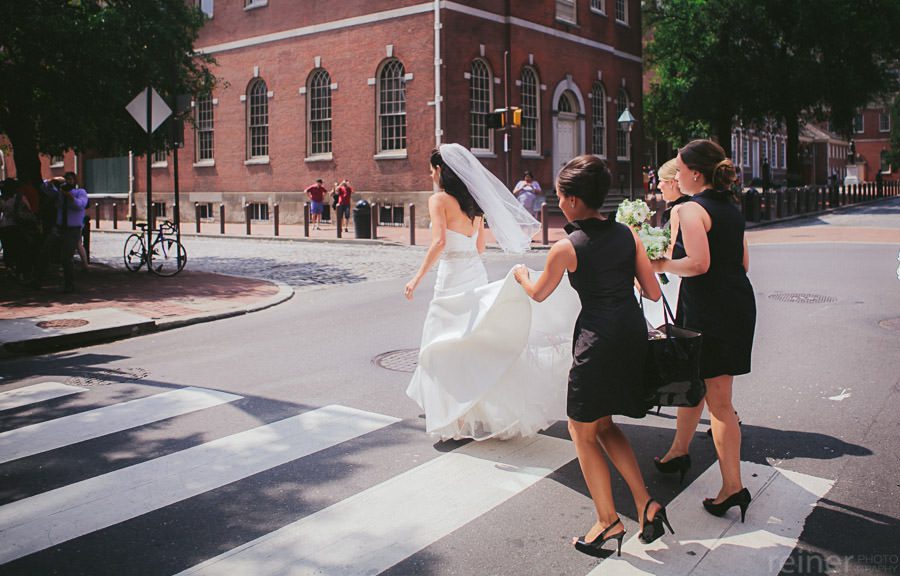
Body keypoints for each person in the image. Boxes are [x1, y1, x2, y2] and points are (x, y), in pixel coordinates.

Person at [514, 155, 671, 558]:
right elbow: (654, 293)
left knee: (580, 430)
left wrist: (520, 276)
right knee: (604, 424)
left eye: (559, 196)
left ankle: (607, 521)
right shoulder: (628, 234)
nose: (559, 202)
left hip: (597, 343)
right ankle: (645, 505)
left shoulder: (566, 247)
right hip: (631, 336)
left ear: (571, 200)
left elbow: (538, 293)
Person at [404, 143, 577, 441]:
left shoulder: (438, 200)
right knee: (476, 341)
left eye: (432, 169)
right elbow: (481, 247)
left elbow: (439, 242)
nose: (431, 174)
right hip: (474, 272)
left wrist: (416, 277)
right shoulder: (474, 203)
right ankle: (475, 410)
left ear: (441, 170)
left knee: (443, 341)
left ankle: (455, 416)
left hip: (452, 275)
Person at [650, 139, 756, 522]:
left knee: (720, 402)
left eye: (679, 170)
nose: (676, 176)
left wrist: (661, 264)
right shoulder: (731, 208)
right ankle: (679, 451)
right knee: (697, 380)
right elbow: (743, 263)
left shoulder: (691, 210)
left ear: (695, 174)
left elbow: (698, 264)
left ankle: (733, 487)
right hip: (735, 303)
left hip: (709, 309)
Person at [32, 171, 88, 292]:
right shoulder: (59, 194)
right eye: (66, 179)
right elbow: (44, 188)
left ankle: (69, 285)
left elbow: (80, 205)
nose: (68, 182)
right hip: (59, 228)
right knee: (45, 252)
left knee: (66, 257)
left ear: (75, 181)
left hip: (72, 229)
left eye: (70, 180)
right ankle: (36, 281)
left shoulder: (80, 192)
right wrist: (52, 181)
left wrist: (69, 196)